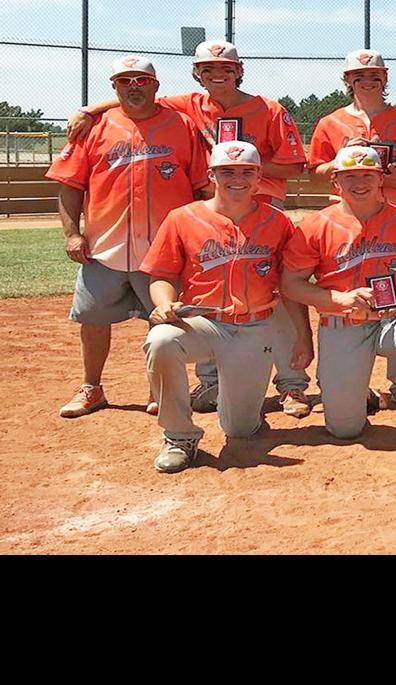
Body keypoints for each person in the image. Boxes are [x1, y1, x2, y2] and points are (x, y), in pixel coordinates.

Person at [69, 40, 310, 418]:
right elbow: (136, 98)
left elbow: (295, 165)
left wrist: (240, 162)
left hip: (262, 211)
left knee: (273, 296)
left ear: (240, 70)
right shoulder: (188, 106)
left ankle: (291, 385)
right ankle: (212, 382)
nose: (217, 75)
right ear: (197, 74)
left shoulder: (269, 109)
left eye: (226, 68)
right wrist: (89, 109)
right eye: (208, 69)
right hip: (211, 213)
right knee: (209, 292)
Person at [48, 56, 209, 420]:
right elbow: (70, 185)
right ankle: (92, 387)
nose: (133, 87)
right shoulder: (93, 129)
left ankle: (161, 389)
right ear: (114, 87)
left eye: (141, 80)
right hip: (104, 246)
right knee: (92, 319)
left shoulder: (181, 124)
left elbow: (201, 187)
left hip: (163, 250)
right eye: (125, 81)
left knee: (165, 319)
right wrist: (72, 234)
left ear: (155, 85)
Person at [280, 146, 396, 471]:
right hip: (341, 324)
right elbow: (290, 285)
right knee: (344, 429)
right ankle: (361, 396)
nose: (360, 182)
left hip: (391, 321)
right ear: (335, 182)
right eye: (350, 176)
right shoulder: (314, 225)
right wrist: (337, 300)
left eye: (368, 175)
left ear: (381, 178)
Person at [139, 141, 304, 472]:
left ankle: (220, 395)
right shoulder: (182, 218)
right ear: (211, 175)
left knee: (240, 430)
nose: (237, 179)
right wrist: (164, 303)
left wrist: (302, 338)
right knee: (161, 341)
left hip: (255, 326)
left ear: (259, 177)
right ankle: (179, 435)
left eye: (247, 172)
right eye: (227, 171)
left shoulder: (278, 222)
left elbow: (291, 287)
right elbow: (161, 275)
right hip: (203, 321)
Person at [307, 49, 396, 414]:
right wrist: (341, 160)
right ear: (347, 80)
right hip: (350, 217)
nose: (367, 81)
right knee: (350, 293)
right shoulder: (331, 122)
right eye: (359, 75)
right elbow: (314, 169)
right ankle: (353, 385)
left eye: (374, 75)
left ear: (385, 78)